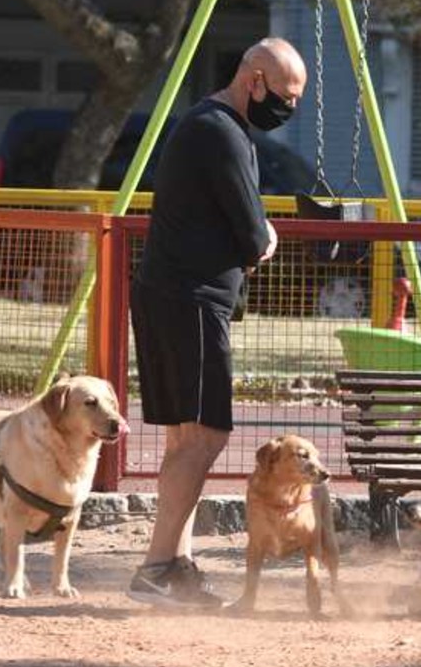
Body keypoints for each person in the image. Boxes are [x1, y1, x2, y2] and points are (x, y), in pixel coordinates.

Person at [127, 38, 307, 606]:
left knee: (186, 437)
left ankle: (175, 565)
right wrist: (267, 235)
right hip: (192, 301)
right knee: (205, 435)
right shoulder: (222, 132)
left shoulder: (208, 124)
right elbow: (254, 237)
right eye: (285, 97)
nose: (288, 109)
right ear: (254, 80)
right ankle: (157, 567)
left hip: (170, 295)